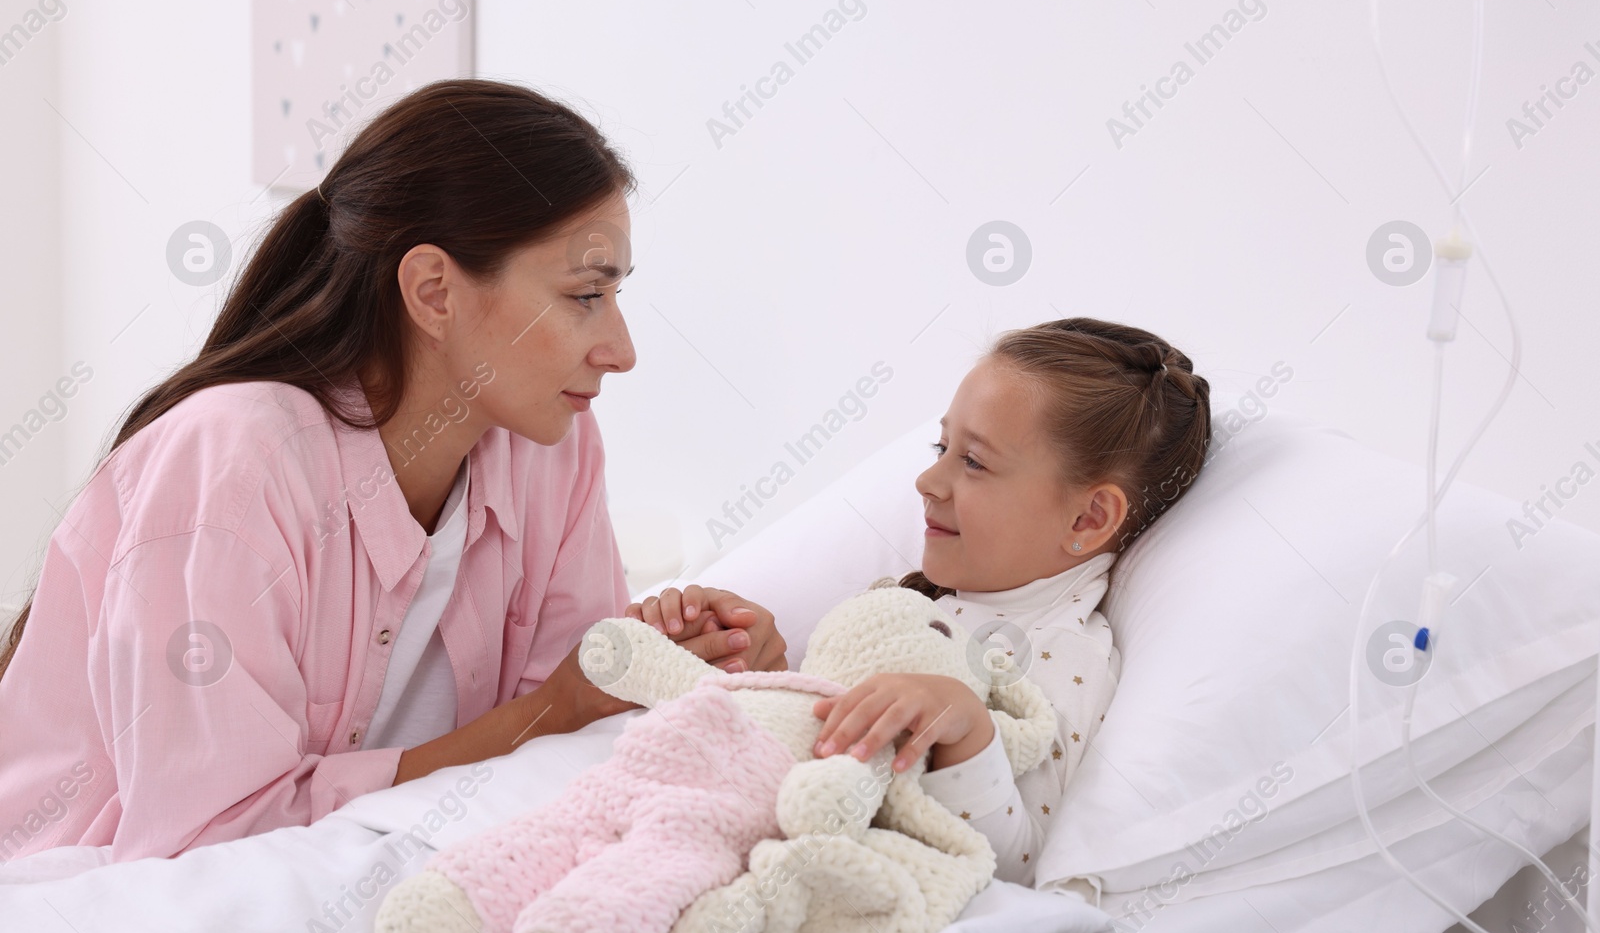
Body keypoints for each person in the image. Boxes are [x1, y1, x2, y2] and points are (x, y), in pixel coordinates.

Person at [0, 79, 785, 865]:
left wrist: (686, 667)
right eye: (584, 295)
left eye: (614, 295)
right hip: (78, 900)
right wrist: (551, 712)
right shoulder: (232, 465)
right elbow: (209, 842)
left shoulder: (554, 443)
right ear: (434, 292)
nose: (621, 348)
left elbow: (582, 733)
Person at [630, 317, 1211, 886]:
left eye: (974, 461)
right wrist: (755, 671)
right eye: (942, 445)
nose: (927, 480)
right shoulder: (910, 606)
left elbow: (1019, 868)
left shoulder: (1064, 655)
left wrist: (967, 729)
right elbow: (822, 740)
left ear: (1088, 517)